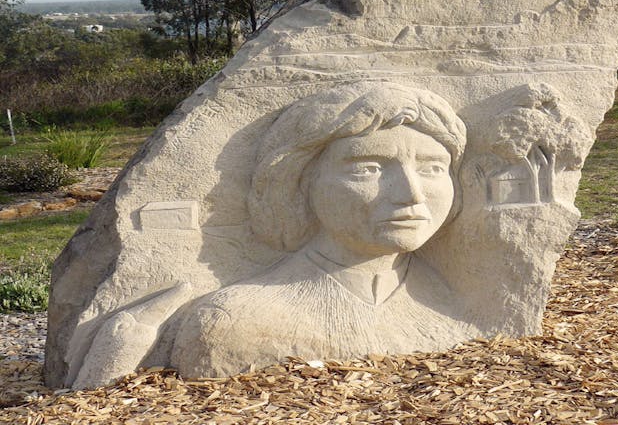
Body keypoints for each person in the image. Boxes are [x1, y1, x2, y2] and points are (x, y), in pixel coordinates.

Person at [74, 82, 476, 385]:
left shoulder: (457, 299)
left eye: (432, 168)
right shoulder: (232, 319)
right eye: (367, 169)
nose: (411, 195)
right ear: (298, 183)